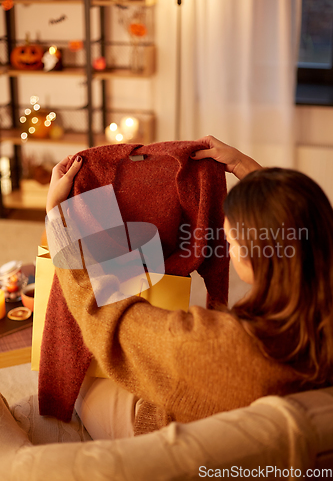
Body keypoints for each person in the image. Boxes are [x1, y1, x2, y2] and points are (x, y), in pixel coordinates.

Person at [45, 136, 333, 440]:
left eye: (230, 241)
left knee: (85, 373)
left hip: (168, 434)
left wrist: (57, 219)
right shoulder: (319, 321)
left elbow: (107, 321)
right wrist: (244, 167)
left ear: (249, 255)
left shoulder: (220, 345)